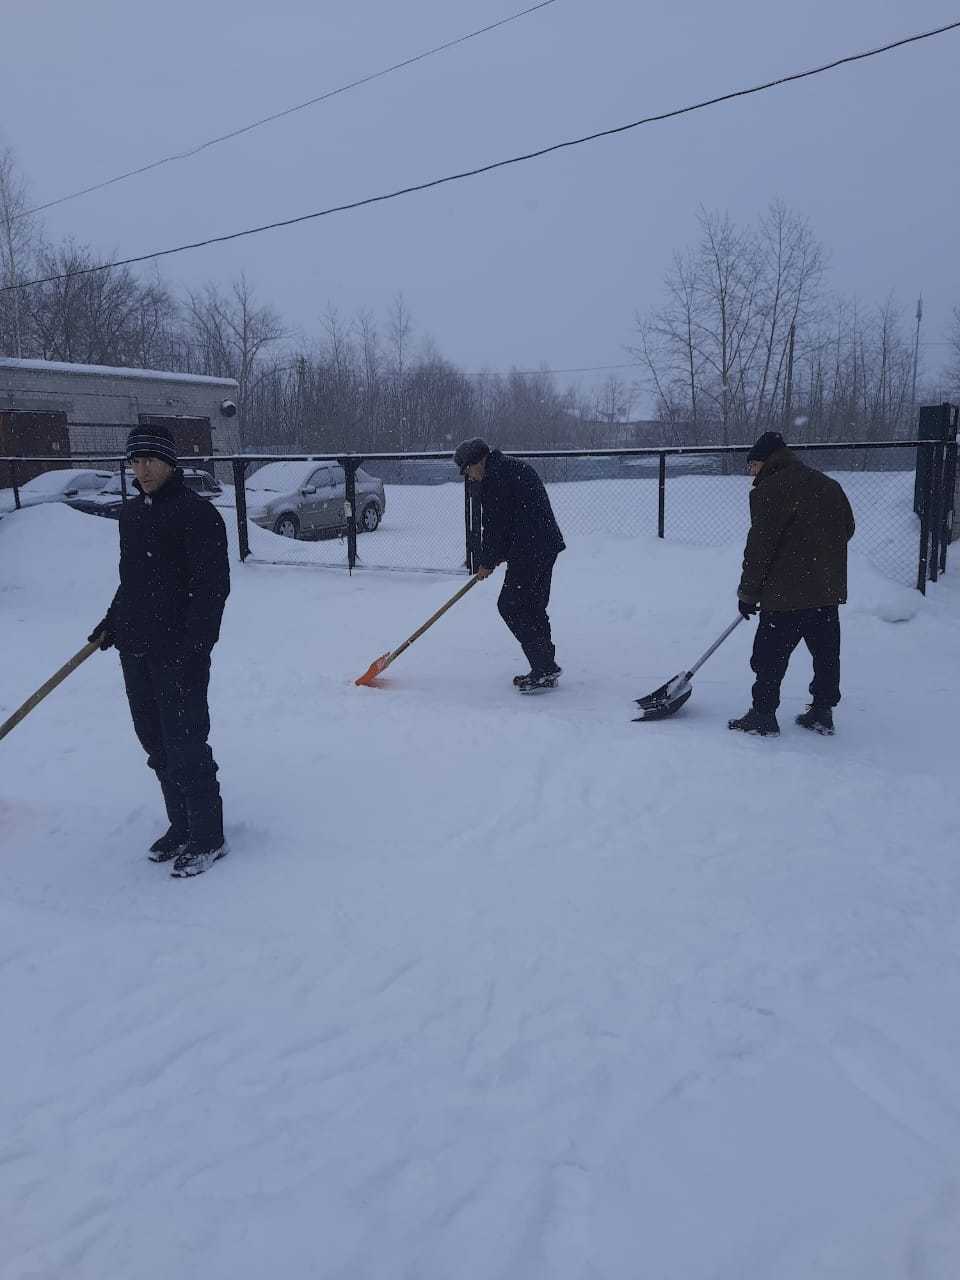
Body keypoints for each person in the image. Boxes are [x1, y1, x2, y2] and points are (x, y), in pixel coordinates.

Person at [89, 424, 231, 876]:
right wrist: (112, 621)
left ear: (171, 463)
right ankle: (181, 825)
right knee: (155, 743)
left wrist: (195, 648)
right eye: (136, 460)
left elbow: (212, 589)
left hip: (179, 652)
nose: (143, 469)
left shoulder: (198, 514)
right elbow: (132, 582)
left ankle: (208, 835)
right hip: (135, 647)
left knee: (186, 741)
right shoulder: (132, 515)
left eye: (151, 459)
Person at [729, 431, 855, 738]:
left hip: (786, 593)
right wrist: (817, 552)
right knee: (826, 654)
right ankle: (822, 712)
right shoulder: (827, 484)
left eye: (752, 466)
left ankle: (763, 715)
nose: (751, 473)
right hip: (826, 589)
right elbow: (848, 528)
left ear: (764, 461)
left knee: (769, 656)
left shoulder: (770, 489)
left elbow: (760, 546)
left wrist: (748, 593)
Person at [454, 437, 565, 692]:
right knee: (533, 606)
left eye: (467, 470)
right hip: (544, 544)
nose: (468, 477)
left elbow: (495, 527)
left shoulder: (495, 479)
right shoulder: (508, 468)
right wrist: (496, 555)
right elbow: (511, 519)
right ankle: (546, 666)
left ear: (477, 461)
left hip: (530, 547)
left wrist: (486, 561)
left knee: (510, 606)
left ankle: (544, 667)